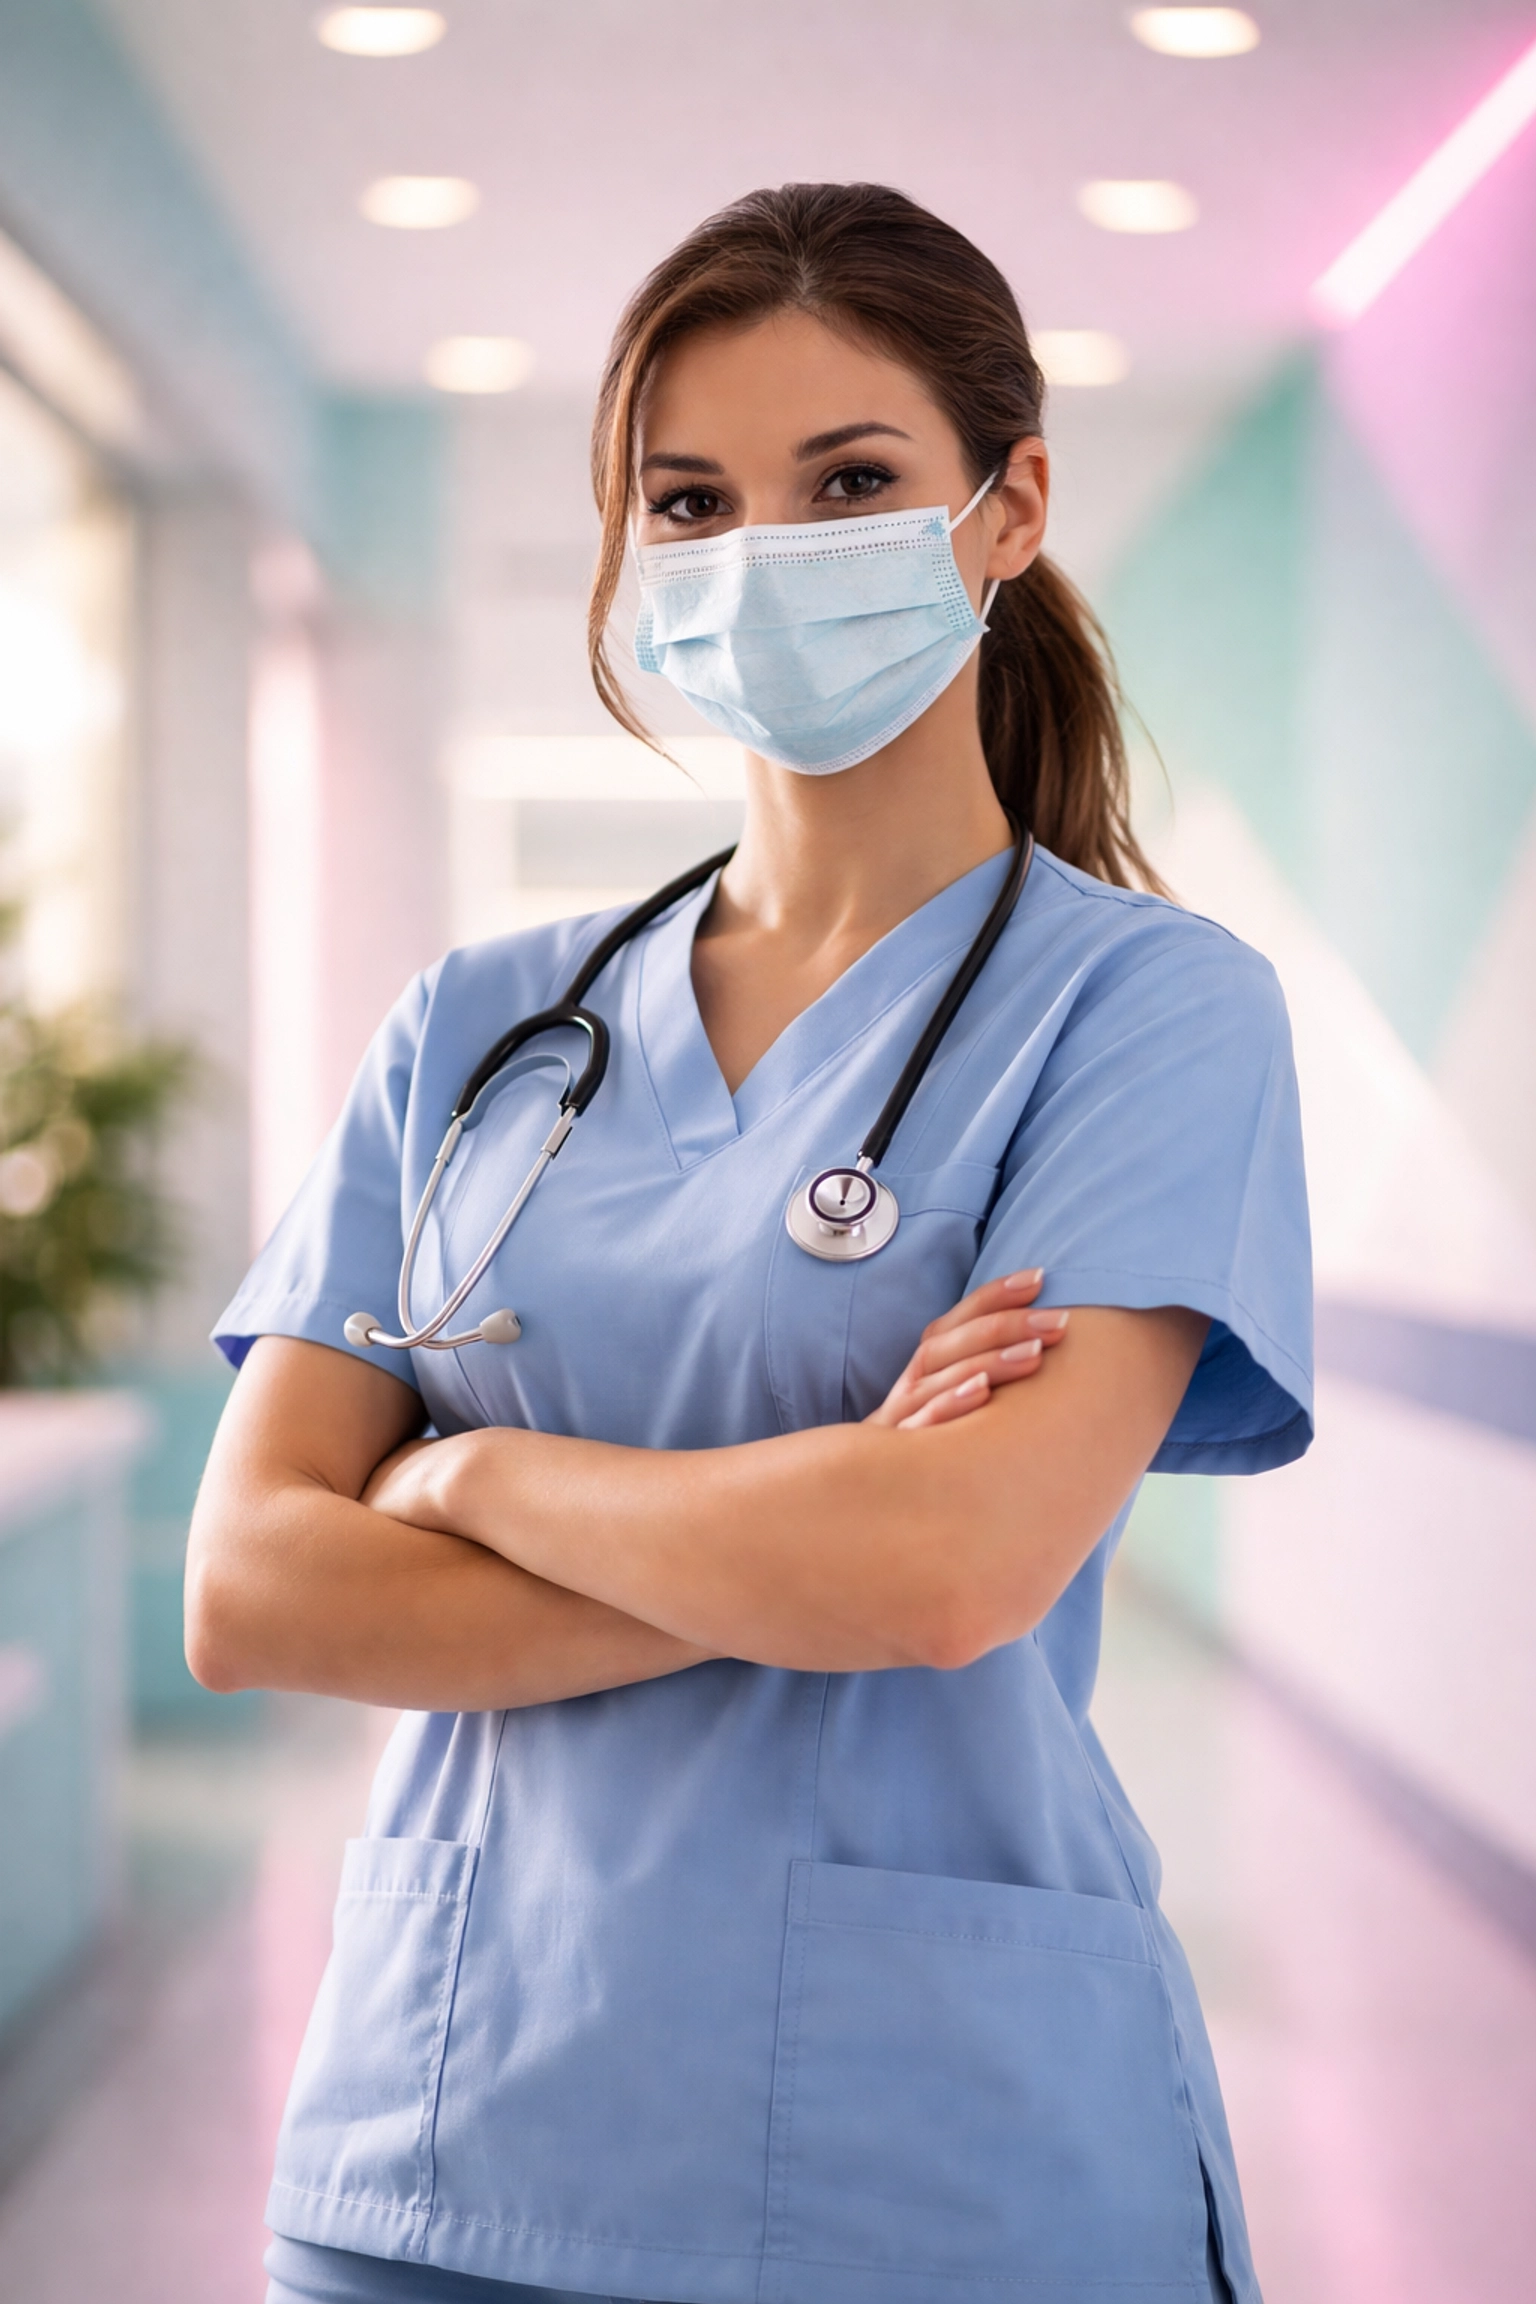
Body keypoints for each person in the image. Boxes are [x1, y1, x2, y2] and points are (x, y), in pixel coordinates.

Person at [188, 183, 1312, 2304]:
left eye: (852, 482)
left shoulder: (1149, 1011)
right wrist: (808, 1535)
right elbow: (253, 1592)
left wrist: (470, 1479)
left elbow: (948, 1571)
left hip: (938, 2167)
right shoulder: (476, 1031)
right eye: (687, 499)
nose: (758, 556)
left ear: (1008, 507)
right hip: (444, 2150)